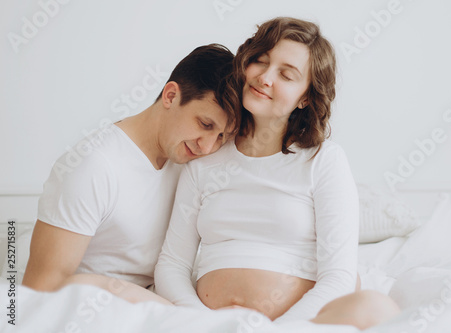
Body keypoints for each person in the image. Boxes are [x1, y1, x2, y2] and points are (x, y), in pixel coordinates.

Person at [154, 17, 401, 329]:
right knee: (102, 290)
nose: (265, 77)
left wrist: (277, 329)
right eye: (260, 61)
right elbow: (172, 264)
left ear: (306, 97)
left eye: (286, 75)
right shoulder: (206, 157)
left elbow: (337, 276)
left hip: (297, 325)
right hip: (209, 322)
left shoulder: (324, 161)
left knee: (376, 307)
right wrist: (200, 321)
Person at [22, 44, 240, 299]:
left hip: (148, 305)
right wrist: (142, 300)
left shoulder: (191, 162)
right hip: (85, 311)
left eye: (222, 137)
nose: (207, 146)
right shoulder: (93, 166)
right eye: (205, 124)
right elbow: (40, 289)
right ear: (170, 96)